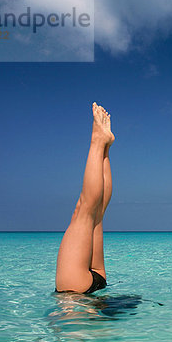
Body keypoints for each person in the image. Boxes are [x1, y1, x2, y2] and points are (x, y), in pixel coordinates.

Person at [55, 103, 114, 294]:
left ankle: (104, 147)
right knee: (86, 211)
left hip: (97, 280)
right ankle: (100, 143)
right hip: (76, 290)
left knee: (96, 212)